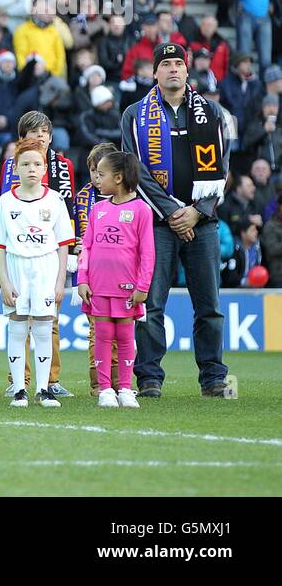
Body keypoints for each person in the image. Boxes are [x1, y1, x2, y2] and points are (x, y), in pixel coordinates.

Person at [120, 42, 231, 398]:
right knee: (151, 305)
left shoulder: (212, 112)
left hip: (204, 221)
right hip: (156, 224)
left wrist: (197, 212)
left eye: (177, 64)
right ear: (154, 72)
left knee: (209, 305)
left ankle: (214, 377)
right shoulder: (135, 114)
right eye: (165, 64)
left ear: (187, 71)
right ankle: (149, 377)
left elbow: (223, 169)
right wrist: (172, 213)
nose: (172, 69)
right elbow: (134, 169)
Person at [0, 110, 76, 396]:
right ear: (22, 140)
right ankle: (19, 382)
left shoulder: (63, 167)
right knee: (19, 323)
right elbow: (4, 220)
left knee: (48, 323)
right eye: (34, 133)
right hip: (20, 256)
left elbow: (68, 203)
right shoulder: (10, 170)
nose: (40, 137)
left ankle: (50, 382)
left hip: (49, 255)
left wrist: (71, 249)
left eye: (44, 132)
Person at [78, 150, 155, 409]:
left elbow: (147, 253)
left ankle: (124, 388)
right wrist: (82, 279)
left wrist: (142, 286)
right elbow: (86, 247)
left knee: (124, 337)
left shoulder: (141, 210)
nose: (97, 180)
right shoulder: (98, 209)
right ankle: (104, 390)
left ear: (119, 178)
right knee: (102, 335)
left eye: (102, 175)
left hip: (127, 288)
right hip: (99, 287)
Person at [75, 142, 121, 396]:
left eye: (101, 171)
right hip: (92, 272)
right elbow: (78, 233)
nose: (96, 176)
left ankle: (120, 381)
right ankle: (98, 383)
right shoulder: (83, 197)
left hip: (120, 273)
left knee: (121, 329)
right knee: (97, 330)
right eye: (93, 170)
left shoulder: (129, 198)